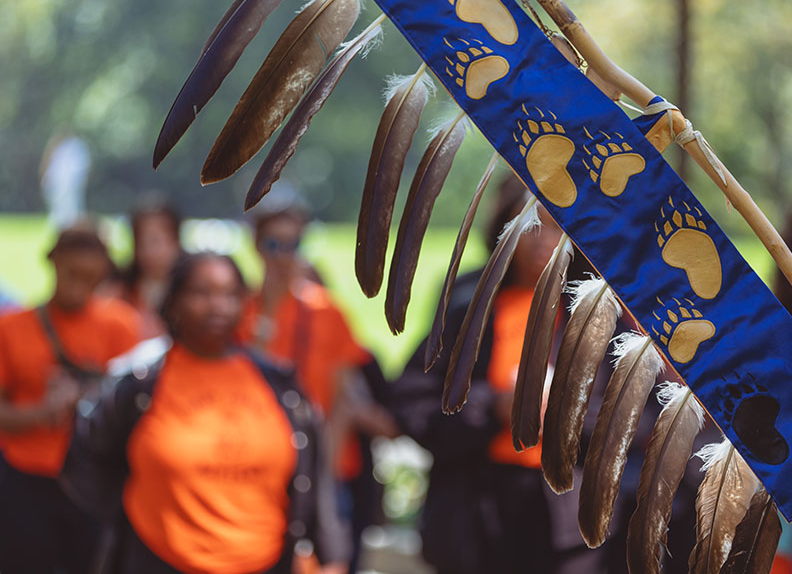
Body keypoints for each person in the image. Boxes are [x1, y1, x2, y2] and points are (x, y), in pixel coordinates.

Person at [388, 174, 634, 574]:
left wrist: (563, 417)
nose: (543, 241)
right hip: (474, 510)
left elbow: (638, 420)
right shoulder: (467, 302)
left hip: (567, 523)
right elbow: (412, 399)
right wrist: (494, 407)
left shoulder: (604, 314)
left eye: (558, 228)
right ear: (505, 228)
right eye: (531, 227)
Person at [61, 252, 349, 574]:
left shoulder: (281, 386)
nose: (217, 306)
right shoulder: (140, 387)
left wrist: (330, 555)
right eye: (201, 293)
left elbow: (316, 474)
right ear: (173, 301)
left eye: (229, 295)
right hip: (160, 560)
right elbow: (88, 459)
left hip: (265, 561)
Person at [237, 189, 398, 573]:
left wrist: (322, 467)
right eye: (274, 244)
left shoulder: (326, 310)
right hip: (259, 465)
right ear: (257, 247)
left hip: (326, 468)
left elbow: (343, 394)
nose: (283, 255)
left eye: (293, 244)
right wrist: (271, 307)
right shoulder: (240, 311)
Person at [0, 224, 141, 574]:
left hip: (93, 479)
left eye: (92, 278)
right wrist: (41, 411)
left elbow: (135, 411)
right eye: (73, 274)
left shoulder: (121, 326)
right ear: (53, 262)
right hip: (27, 475)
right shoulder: (12, 327)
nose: (80, 286)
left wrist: (87, 398)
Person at [120, 198, 184, 339]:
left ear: (175, 241)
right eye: (140, 241)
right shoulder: (119, 291)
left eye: (154, 241)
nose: (147, 250)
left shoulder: (191, 289)